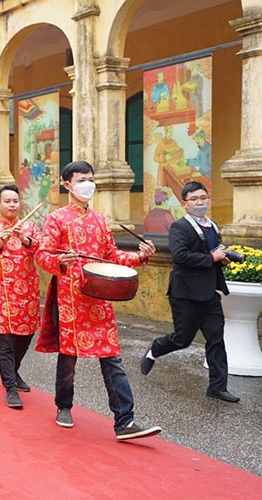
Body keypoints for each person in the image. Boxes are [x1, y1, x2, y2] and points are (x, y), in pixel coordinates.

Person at [35, 160, 162, 441]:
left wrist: (139, 257)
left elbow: (112, 257)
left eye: (91, 179)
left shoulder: (100, 220)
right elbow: (42, 255)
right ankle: (64, 405)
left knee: (112, 358)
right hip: (70, 299)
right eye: (81, 179)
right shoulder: (56, 219)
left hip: (100, 299)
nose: (87, 184)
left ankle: (125, 421)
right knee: (69, 358)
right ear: (67, 184)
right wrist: (60, 260)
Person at [140, 182, 239, 402]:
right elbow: (180, 257)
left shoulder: (212, 226)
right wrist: (210, 258)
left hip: (210, 292)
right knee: (182, 339)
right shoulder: (179, 227)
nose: (199, 202)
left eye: (203, 198)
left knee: (216, 338)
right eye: (194, 199)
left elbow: (212, 252)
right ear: (184, 204)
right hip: (185, 293)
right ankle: (155, 349)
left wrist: (220, 259)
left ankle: (217, 386)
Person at [0, 184, 41, 409]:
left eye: (15, 201)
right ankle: (10, 387)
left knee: (25, 337)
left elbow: (43, 253)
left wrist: (25, 240)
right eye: (7, 201)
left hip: (29, 292)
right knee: (5, 340)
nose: (12, 205)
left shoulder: (31, 228)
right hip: (3, 292)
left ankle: (13, 372)